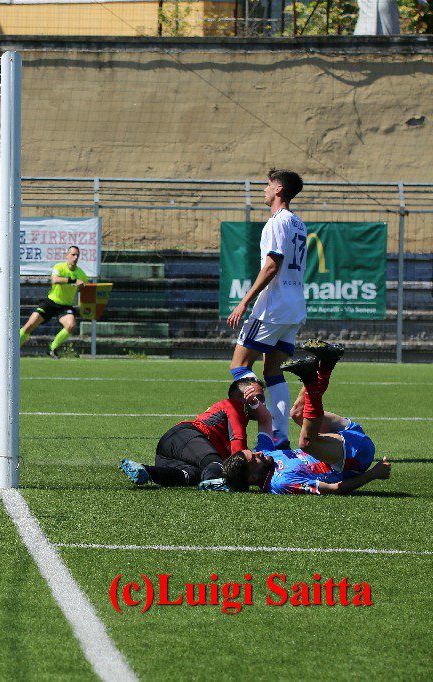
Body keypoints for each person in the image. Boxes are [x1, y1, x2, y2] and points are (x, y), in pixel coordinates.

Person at [221, 339, 392, 495]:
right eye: (254, 458)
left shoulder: (266, 454)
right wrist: (373, 474)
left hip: (348, 433)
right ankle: (310, 378)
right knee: (306, 443)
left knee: (297, 414)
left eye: (253, 452)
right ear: (252, 478)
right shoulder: (280, 483)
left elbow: (265, 420)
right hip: (354, 458)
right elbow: (335, 488)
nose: (258, 452)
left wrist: (254, 403)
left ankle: (326, 363)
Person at [227, 169, 307, 449]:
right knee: (273, 372)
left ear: (279, 189)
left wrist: (245, 300)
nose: (264, 189)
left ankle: (263, 422)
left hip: (273, 306)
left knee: (239, 366)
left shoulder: (276, 222)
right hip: (294, 307)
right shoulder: (298, 224)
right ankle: (281, 438)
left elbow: (272, 264)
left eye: (268, 185)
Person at [119, 377, 265, 488]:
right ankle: (218, 484)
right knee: (213, 463)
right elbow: (238, 452)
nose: (262, 404)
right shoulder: (235, 406)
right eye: (258, 397)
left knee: (190, 476)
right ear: (241, 397)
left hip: (169, 455)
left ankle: (145, 470)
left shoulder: (237, 417)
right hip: (183, 437)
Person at [19, 245, 87, 359]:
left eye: (77, 255)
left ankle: (52, 349)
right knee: (29, 325)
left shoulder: (82, 274)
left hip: (65, 306)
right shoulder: (59, 267)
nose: (75, 257)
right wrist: (73, 280)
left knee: (71, 325)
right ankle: (13, 349)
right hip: (50, 303)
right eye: (73, 254)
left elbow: (84, 291)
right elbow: (55, 280)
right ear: (67, 255)